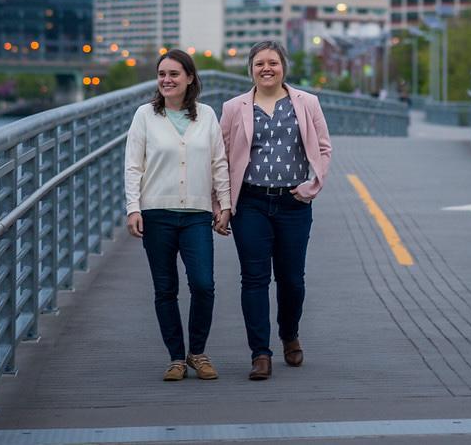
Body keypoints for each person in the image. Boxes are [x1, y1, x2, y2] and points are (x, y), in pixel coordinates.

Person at [215, 40, 332, 380]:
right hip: (250, 203)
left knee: (292, 279)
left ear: (283, 67)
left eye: (273, 63)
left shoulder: (306, 103)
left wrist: (313, 186)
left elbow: (323, 148)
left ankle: (289, 334)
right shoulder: (234, 107)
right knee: (254, 278)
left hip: (293, 204)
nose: (266, 68)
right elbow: (220, 158)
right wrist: (221, 204)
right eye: (259, 63)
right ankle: (260, 353)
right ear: (250, 69)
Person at [124, 49, 231, 381]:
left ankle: (197, 352)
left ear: (189, 78)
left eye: (173, 74)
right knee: (165, 288)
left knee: (203, 284)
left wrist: (224, 205)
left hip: (197, 212)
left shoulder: (207, 115)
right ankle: (175, 357)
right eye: (161, 75)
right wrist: (133, 208)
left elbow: (218, 163)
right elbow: (133, 166)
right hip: (156, 213)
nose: (166, 80)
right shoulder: (145, 115)